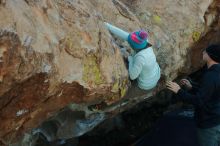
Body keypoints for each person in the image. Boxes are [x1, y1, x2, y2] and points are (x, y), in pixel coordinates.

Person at [166, 44, 220, 146]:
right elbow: (210, 93)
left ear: (210, 56)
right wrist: (191, 87)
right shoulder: (216, 72)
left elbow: (199, 101)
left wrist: (179, 91)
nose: (203, 52)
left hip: (209, 125)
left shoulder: (211, 76)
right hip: (217, 119)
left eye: (206, 51)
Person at [104, 22, 161, 97]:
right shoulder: (144, 42)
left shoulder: (141, 58)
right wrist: (107, 25)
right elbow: (124, 35)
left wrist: (131, 59)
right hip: (155, 73)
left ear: (135, 47)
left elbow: (132, 76)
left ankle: (102, 107)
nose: (129, 43)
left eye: (130, 43)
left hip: (147, 85)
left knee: (123, 94)